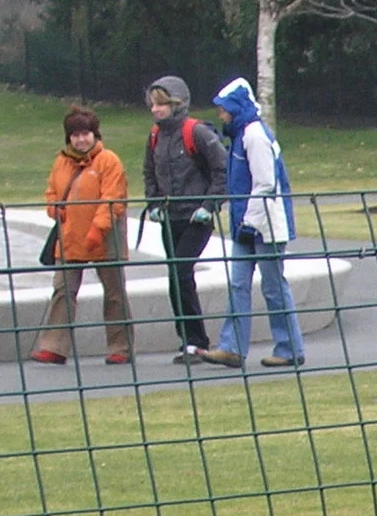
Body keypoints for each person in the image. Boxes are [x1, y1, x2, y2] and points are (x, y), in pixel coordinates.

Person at [201, 77, 302, 369]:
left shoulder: (254, 136)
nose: (221, 115)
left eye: (224, 110)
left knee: (273, 286)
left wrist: (249, 221)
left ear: (236, 108)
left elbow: (266, 183)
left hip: (265, 225)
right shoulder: (242, 134)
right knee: (238, 284)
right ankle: (232, 347)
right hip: (248, 224)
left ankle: (289, 348)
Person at [29, 107, 133, 365]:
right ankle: (54, 346)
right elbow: (52, 191)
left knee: (114, 292)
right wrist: (53, 208)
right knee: (62, 291)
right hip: (71, 236)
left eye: (85, 133)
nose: (81, 139)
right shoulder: (60, 162)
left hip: (105, 236)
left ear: (95, 134)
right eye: (75, 134)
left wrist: (98, 229)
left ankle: (121, 346)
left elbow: (113, 199)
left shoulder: (109, 161)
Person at [142, 76, 228, 364]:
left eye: (161, 104)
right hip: (170, 217)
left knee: (181, 272)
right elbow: (149, 172)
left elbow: (221, 168)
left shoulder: (197, 133)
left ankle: (196, 340)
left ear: (176, 104)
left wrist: (209, 205)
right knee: (176, 277)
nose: (155, 110)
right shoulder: (155, 136)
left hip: (195, 218)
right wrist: (154, 202)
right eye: (153, 104)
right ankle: (189, 339)